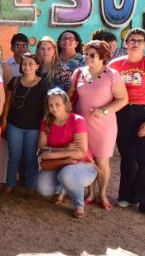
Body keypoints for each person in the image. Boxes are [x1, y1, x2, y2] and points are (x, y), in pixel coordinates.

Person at [109, 27, 145, 218]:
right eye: (132, 40)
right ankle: (127, 195)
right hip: (123, 113)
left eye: (139, 41)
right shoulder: (115, 64)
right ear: (126, 43)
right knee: (127, 158)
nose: (135, 43)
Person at [70, 40, 128, 210]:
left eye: (92, 55)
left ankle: (102, 193)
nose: (87, 57)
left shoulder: (112, 75)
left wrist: (104, 110)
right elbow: (70, 95)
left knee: (102, 162)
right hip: (81, 125)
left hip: (104, 125)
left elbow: (123, 99)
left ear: (103, 56)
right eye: (85, 54)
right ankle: (91, 193)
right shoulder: (78, 73)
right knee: (87, 160)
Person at [35, 89, 98, 219]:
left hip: (82, 164)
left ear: (65, 104)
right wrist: (65, 150)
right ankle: (62, 188)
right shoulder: (46, 121)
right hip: (61, 163)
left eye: (57, 104)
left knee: (66, 174)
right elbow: (41, 149)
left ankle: (79, 205)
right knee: (42, 187)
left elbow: (81, 153)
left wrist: (51, 154)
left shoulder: (77, 120)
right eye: (50, 105)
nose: (53, 108)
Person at [2, 53, 47, 195]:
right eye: (24, 64)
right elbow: (7, 102)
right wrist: (4, 120)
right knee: (14, 156)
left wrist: (45, 127)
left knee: (31, 157)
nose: (27, 66)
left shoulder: (43, 84)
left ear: (37, 66)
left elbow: (46, 107)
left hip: (34, 128)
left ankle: (30, 186)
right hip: (14, 125)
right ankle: (10, 184)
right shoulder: (15, 81)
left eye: (31, 64)